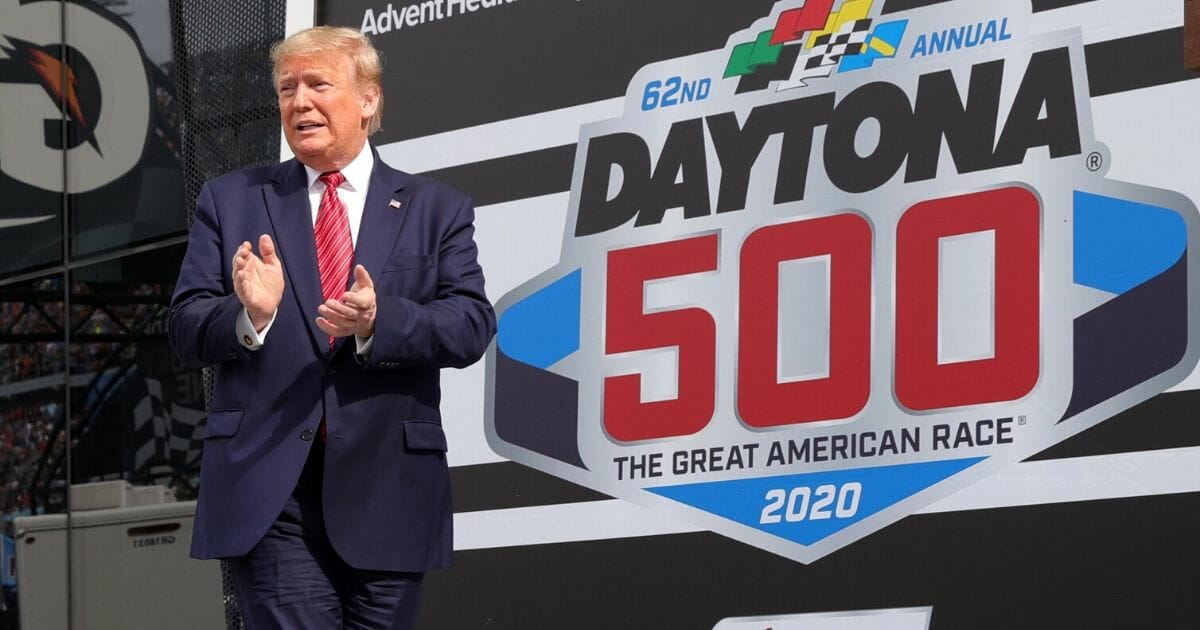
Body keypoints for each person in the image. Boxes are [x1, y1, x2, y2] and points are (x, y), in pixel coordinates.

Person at [168, 26, 495, 629]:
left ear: (368, 99)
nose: (299, 102)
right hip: (271, 492)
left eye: (318, 84)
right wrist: (249, 316)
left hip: (388, 490)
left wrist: (380, 320)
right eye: (287, 89)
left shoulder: (435, 208)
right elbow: (186, 326)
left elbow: (471, 323)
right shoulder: (231, 199)